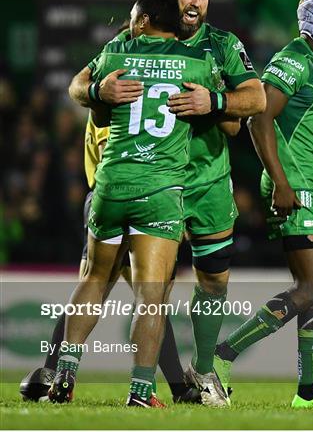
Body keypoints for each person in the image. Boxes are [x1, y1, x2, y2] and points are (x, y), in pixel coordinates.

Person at [68, 0, 266, 407]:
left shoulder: (222, 44)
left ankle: (204, 369)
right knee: (155, 288)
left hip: (207, 181)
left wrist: (214, 101)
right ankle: (154, 384)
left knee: (214, 281)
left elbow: (257, 98)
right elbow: (80, 84)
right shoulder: (130, 40)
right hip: (156, 184)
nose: (196, 1)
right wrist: (99, 89)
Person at [49, 0, 222, 408]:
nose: (127, 22)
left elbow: (80, 87)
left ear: (143, 20)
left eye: (131, 16)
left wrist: (95, 93)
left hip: (110, 186)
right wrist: (215, 100)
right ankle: (141, 392)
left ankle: (64, 377)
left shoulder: (114, 58)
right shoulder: (197, 63)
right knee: (152, 296)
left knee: (92, 279)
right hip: (159, 191)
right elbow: (235, 112)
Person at [213, 0, 313, 409]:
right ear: (310, 23)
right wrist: (280, 181)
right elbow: (260, 117)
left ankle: (308, 394)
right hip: (292, 184)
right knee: (310, 287)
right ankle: (224, 354)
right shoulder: (294, 58)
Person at [20, 110, 200, 406]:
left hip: (103, 199)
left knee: (92, 284)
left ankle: (53, 372)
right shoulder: (127, 104)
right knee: (149, 297)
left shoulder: (108, 96)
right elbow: (111, 153)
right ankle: (177, 387)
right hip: (134, 193)